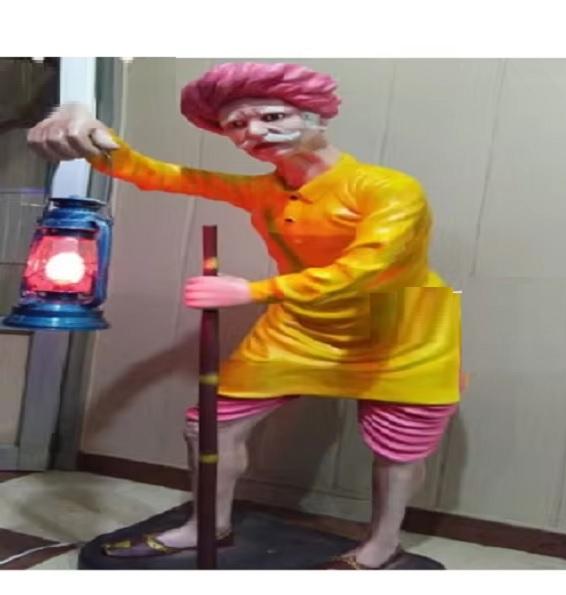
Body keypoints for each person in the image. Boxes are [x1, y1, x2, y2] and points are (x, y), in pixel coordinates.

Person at [28, 61, 466, 569]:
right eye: (236, 124)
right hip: (301, 324)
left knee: (399, 446)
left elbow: (367, 268)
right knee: (210, 425)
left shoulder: (389, 189)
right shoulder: (264, 191)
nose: (254, 132)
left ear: (317, 117)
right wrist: (83, 124)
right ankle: (207, 524)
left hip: (402, 329)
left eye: (273, 116)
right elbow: (158, 173)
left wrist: (250, 291)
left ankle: (383, 544)